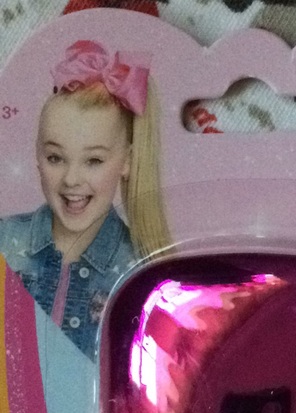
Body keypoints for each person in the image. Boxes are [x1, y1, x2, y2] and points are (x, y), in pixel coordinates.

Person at [0, 40, 172, 359]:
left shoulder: (138, 272)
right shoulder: (5, 241)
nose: (71, 179)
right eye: (55, 158)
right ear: (37, 156)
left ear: (127, 160)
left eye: (93, 161)